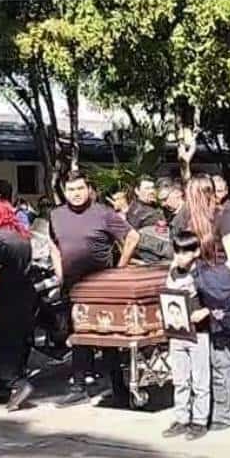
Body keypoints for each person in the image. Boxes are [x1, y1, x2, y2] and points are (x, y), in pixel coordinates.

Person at [49, 171, 141, 408]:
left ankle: (118, 388)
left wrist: (119, 270)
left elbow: (132, 237)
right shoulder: (56, 215)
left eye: (80, 189)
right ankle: (79, 386)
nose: (76, 194)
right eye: (70, 190)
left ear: (88, 189)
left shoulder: (103, 213)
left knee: (107, 337)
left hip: (101, 285)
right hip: (72, 285)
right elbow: (53, 244)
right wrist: (59, 273)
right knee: (78, 336)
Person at [162, 230, 230, 439]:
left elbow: (220, 302)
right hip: (177, 333)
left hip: (199, 334)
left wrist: (205, 312)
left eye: (185, 252)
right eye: (177, 252)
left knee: (200, 379)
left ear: (196, 252)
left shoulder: (205, 274)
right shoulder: (172, 273)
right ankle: (181, 418)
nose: (180, 256)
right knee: (180, 379)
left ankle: (199, 420)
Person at [0, 198, 37, 411]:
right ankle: (15, 383)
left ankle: (16, 383)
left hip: (3, 296)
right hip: (23, 296)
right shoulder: (22, 238)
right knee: (17, 343)